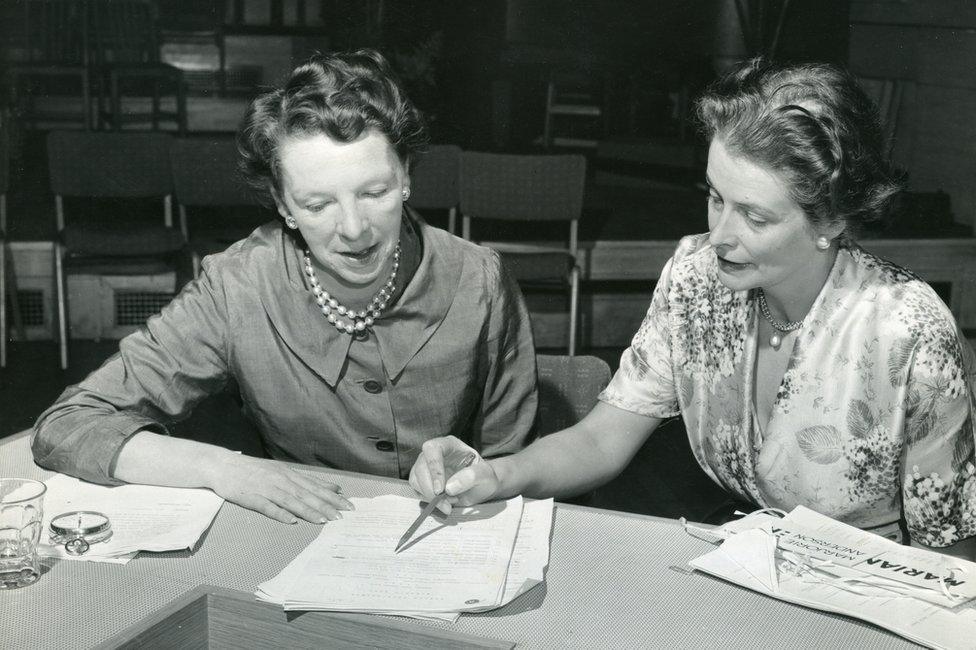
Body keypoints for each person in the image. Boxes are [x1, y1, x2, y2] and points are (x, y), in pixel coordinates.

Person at [410, 58, 976, 558]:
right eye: (714, 197)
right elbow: (601, 441)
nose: (720, 235)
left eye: (754, 217)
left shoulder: (908, 331)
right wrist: (495, 474)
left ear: (830, 220)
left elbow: (953, 552)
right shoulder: (695, 278)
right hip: (746, 570)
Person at [32, 49, 538, 525]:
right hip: (301, 537)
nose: (355, 228)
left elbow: (514, 463)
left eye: (375, 192)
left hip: (453, 535)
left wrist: (474, 474)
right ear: (282, 203)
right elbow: (69, 425)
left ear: (405, 175)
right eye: (317, 205)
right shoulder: (238, 286)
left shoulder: (480, 280)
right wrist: (222, 468)